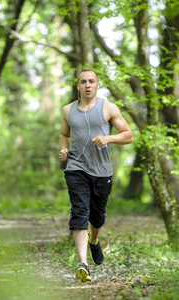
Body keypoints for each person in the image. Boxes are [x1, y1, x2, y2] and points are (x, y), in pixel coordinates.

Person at [58, 69, 133, 282]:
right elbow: (64, 134)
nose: (88, 85)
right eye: (83, 82)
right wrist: (64, 149)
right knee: (80, 211)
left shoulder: (108, 107)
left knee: (97, 217)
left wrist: (108, 139)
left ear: (98, 85)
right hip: (76, 168)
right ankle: (83, 264)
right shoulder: (68, 110)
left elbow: (128, 135)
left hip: (102, 171)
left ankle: (94, 240)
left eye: (91, 81)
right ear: (78, 86)